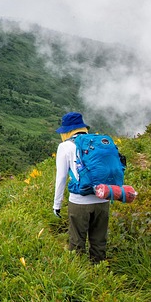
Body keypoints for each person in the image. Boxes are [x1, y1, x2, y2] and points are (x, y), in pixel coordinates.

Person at [52, 111, 109, 263]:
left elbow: (61, 177)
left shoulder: (65, 146)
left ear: (68, 130)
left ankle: (78, 275)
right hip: (103, 199)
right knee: (99, 242)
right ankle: (99, 273)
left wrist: (57, 205)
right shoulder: (98, 142)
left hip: (80, 202)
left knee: (77, 242)